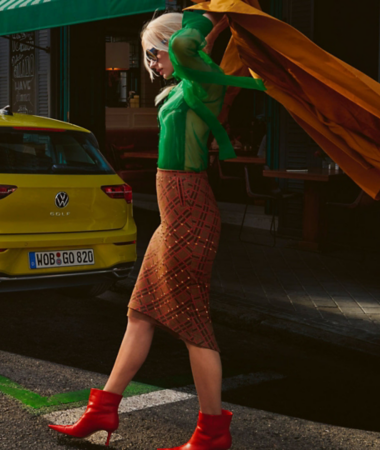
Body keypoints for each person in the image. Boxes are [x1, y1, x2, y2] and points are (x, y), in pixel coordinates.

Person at [48, 8, 265, 450]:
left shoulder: (201, 81)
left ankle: (211, 433)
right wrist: (212, 27)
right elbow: (183, 52)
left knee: (194, 327)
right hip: (174, 217)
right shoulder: (183, 86)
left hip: (189, 212)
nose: (149, 63)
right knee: (139, 314)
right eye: (144, 55)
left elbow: (188, 46)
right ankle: (103, 410)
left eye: (152, 52)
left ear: (177, 43)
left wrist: (207, 17)